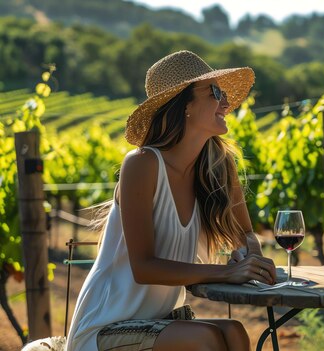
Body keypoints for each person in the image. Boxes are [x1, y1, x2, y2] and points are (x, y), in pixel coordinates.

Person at [65, 50, 277, 351]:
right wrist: (227, 272)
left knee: (234, 333)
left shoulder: (218, 166)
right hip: (106, 326)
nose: (226, 103)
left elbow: (245, 235)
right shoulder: (142, 164)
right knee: (205, 340)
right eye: (215, 92)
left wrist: (250, 254)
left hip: (163, 321)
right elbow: (143, 267)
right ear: (184, 106)